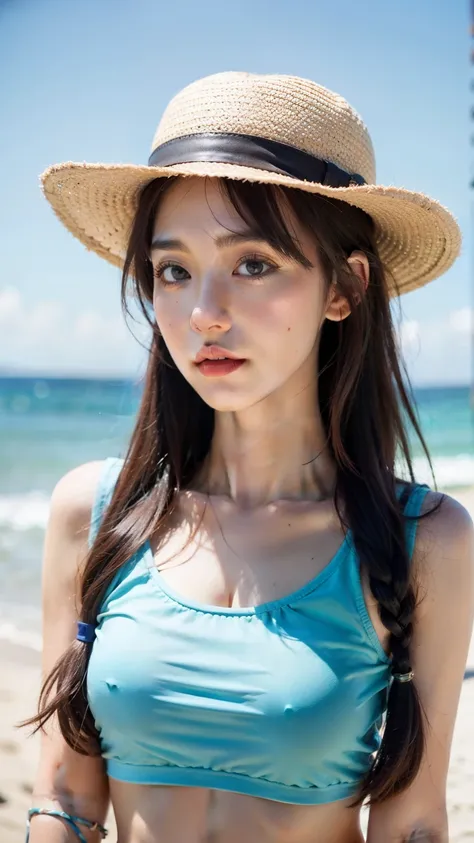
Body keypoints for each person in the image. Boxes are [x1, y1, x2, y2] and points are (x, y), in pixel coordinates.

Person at [23, 71, 474, 843]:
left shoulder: (422, 541)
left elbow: (415, 822)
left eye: (253, 263)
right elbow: (63, 800)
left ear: (345, 287)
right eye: (174, 270)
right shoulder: (95, 515)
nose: (204, 314)